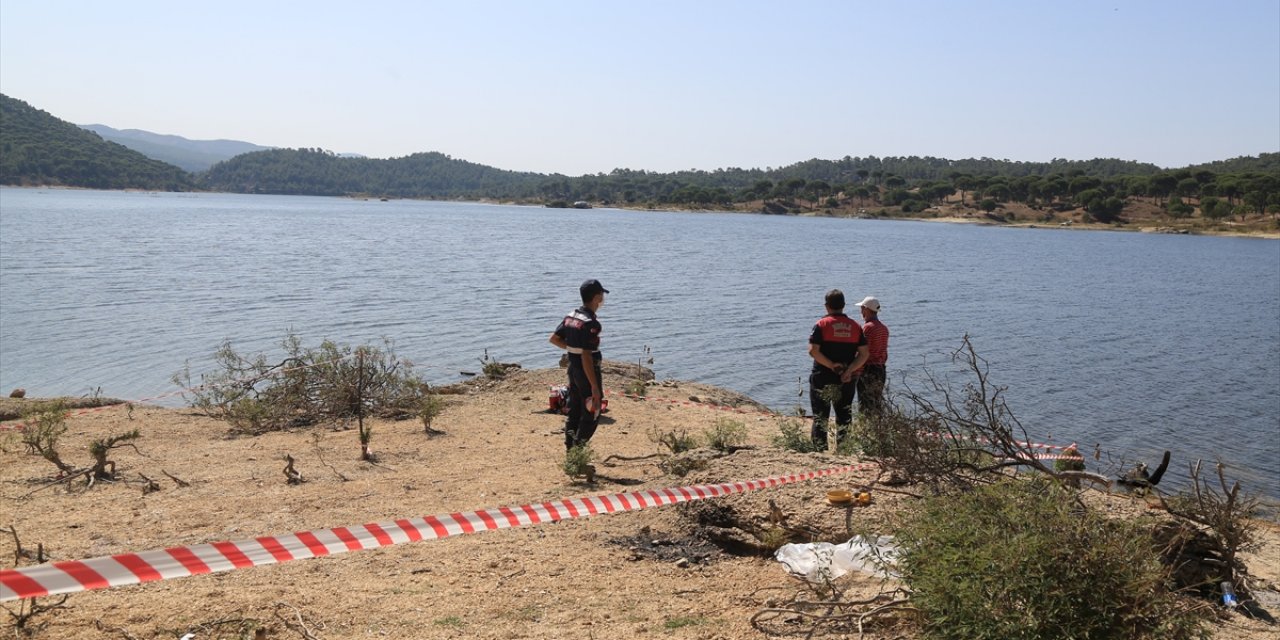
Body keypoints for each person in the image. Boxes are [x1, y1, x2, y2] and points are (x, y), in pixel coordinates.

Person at [549, 279, 608, 451]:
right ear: (596, 297)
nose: (603, 299)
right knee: (592, 411)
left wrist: (573, 348)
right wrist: (595, 387)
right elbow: (587, 357)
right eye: (602, 295)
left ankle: (570, 451)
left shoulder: (571, 316)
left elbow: (554, 339)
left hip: (572, 369)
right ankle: (578, 452)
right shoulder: (591, 323)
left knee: (575, 410)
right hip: (586, 371)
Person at [808, 289, 868, 449]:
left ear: (827, 306)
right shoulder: (855, 327)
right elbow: (864, 354)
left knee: (821, 415)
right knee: (844, 415)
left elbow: (813, 351)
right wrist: (849, 370)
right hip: (847, 379)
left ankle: (819, 450)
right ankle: (844, 449)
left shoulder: (821, 325)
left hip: (822, 377)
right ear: (843, 305)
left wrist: (831, 365)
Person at [848, 296, 889, 418]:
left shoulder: (867, 327)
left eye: (862, 308)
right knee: (876, 402)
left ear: (866, 309)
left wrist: (854, 370)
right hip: (881, 369)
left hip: (868, 370)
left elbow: (862, 352)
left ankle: (867, 430)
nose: (861, 311)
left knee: (865, 404)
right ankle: (878, 428)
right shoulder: (884, 328)